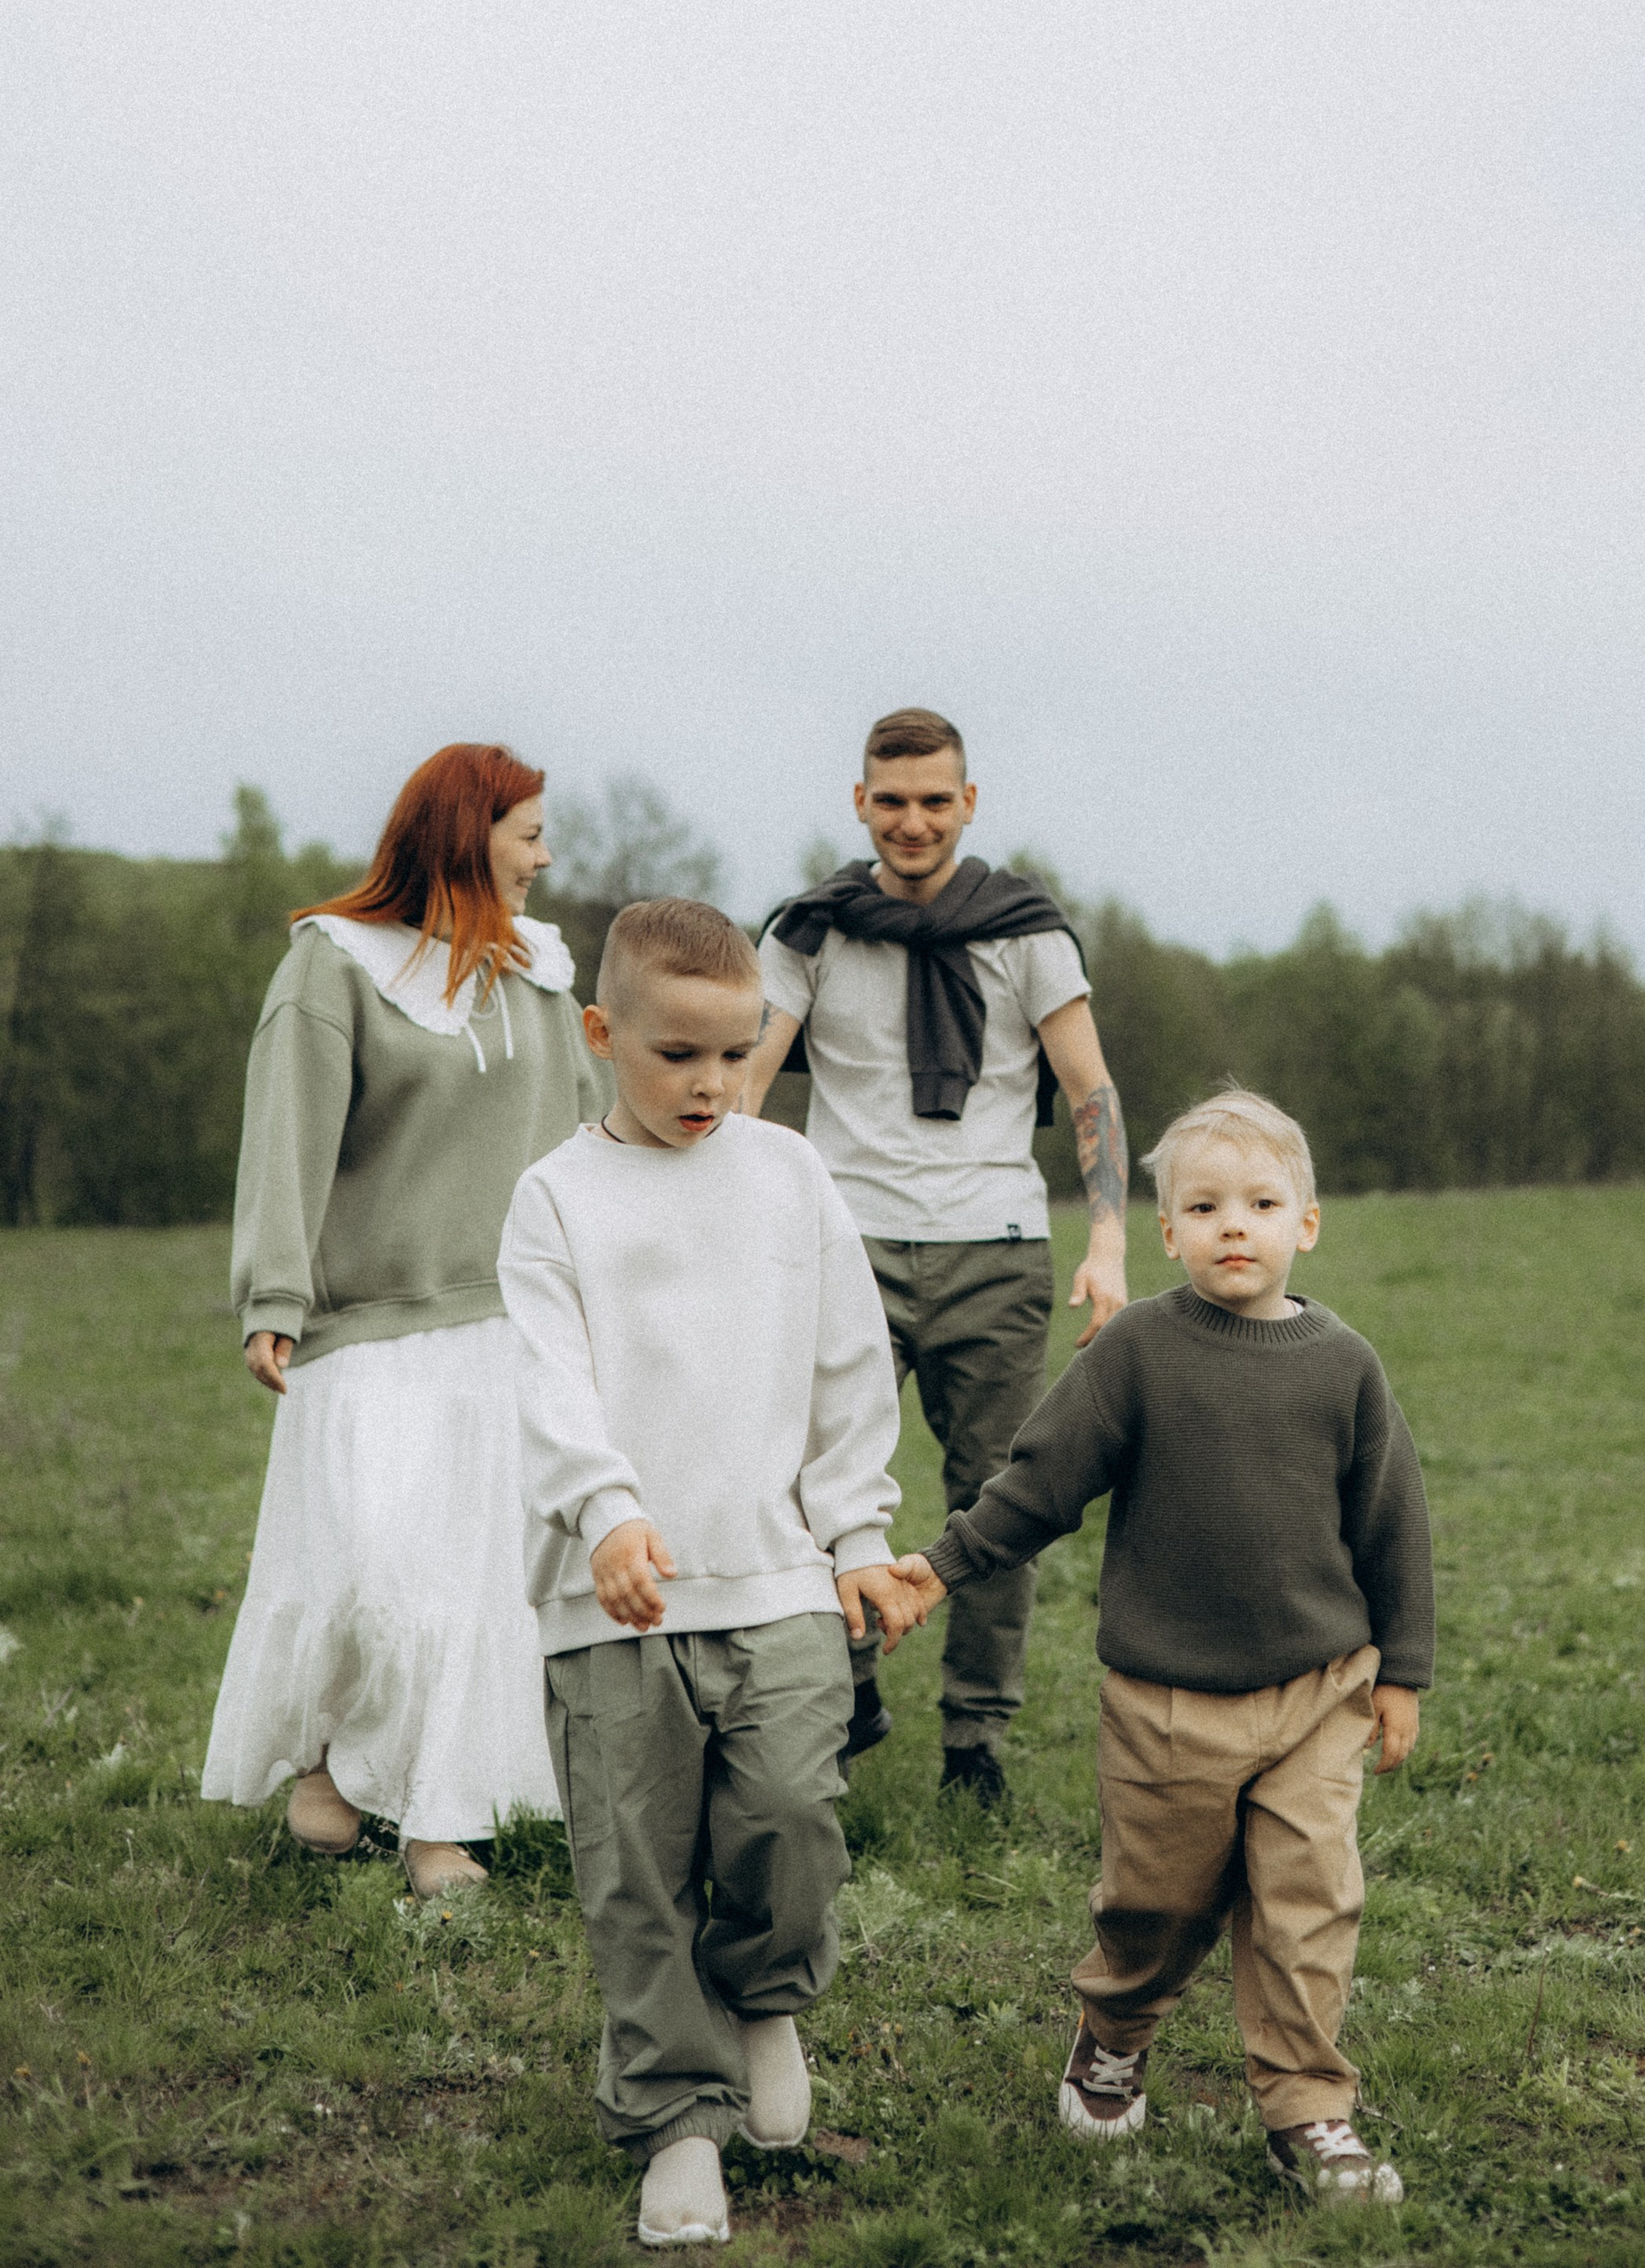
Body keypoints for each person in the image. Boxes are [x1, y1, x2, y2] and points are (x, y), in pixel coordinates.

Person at [894, 1088, 1434, 2204]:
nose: (1235, 1225)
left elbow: (1393, 1527)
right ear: (1168, 1232)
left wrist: (1403, 1675)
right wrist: (942, 1567)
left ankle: (1309, 2114)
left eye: (1262, 1202)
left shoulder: (1345, 1368)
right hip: (1167, 1702)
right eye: (1205, 1205)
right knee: (1159, 1904)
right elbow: (1041, 1482)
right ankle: (1116, 2031)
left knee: (1308, 1901)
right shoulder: (1139, 1350)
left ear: (1308, 1223)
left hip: (1319, 1690)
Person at [498, 896, 921, 2252]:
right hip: (610, 1596)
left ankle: (765, 2003)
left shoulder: (789, 1176)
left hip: (780, 1578)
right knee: (636, 1874)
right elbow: (550, 1380)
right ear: (602, 1032)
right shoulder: (555, 1198)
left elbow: (849, 1365)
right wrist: (607, 1515)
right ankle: (678, 2122)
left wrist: (857, 1535)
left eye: (738, 1057)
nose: (715, 1086)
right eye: (679, 1055)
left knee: (791, 1814)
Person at [202, 742, 606, 1898]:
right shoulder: (333, 967)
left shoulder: (542, 971)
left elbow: (589, 1146)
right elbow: (287, 1137)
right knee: (369, 1571)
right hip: (366, 1321)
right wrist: (272, 1294)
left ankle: (443, 1825)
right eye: (528, 831)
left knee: (470, 1584)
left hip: (510, 1321)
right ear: (467, 833)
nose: (544, 855)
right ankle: (327, 1761)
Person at [745, 705, 1131, 1806]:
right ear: (861, 803)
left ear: (969, 803)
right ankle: (846, 1681)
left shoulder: (1026, 934)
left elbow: (1091, 1090)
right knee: (804, 1477)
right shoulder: (809, 932)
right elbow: (744, 1082)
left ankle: (976, 1741)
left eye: (934, 801)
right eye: (892, 801)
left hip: (997, 1248)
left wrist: (1106, 1242)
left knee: (998, 1495)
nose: (912, 823)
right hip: (844, 1242)